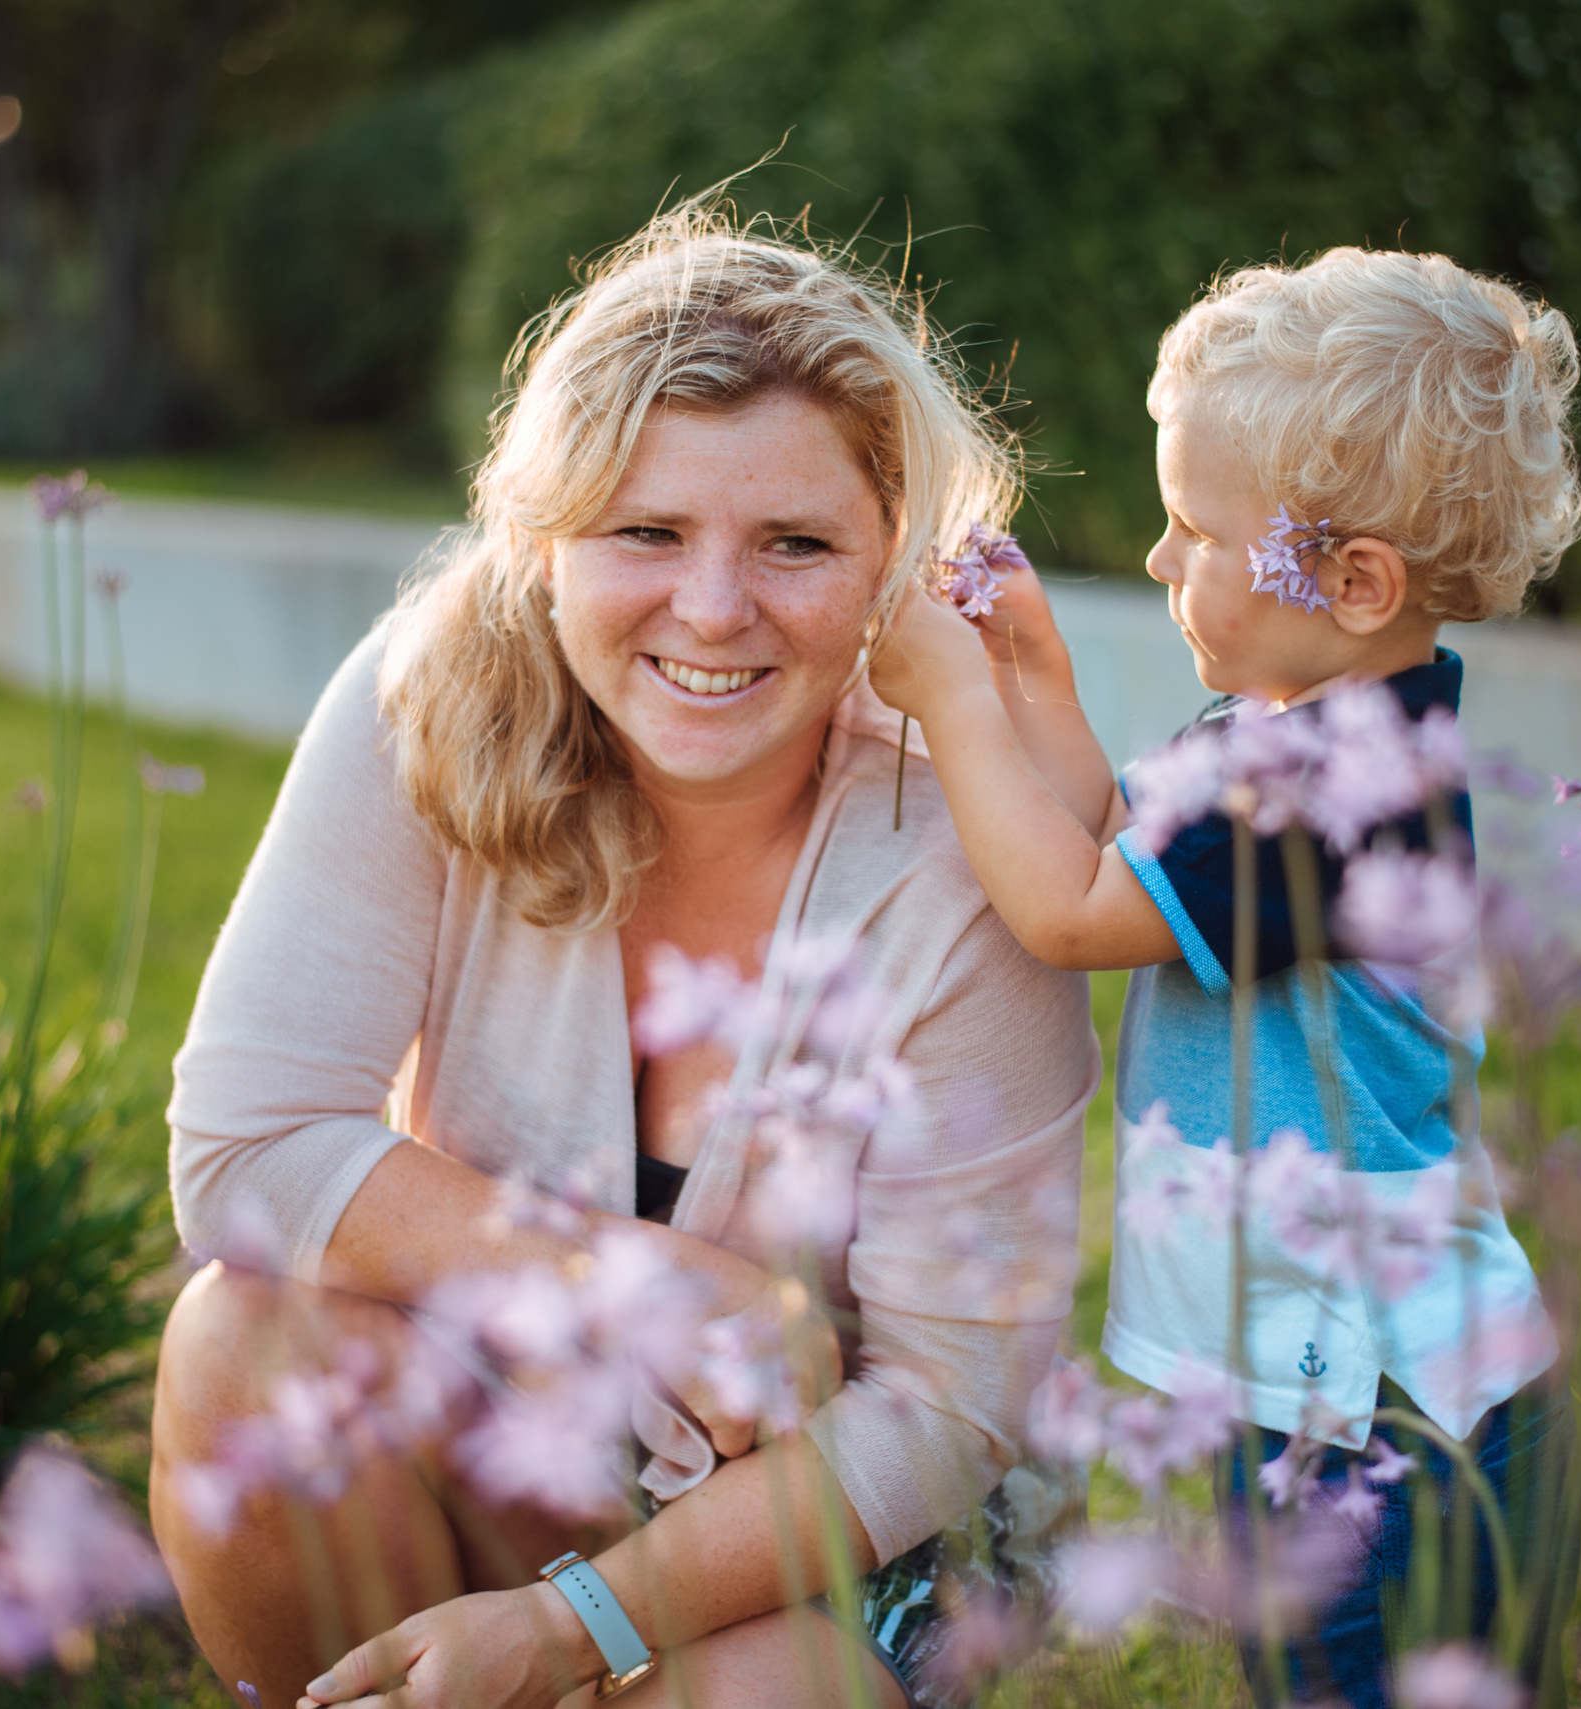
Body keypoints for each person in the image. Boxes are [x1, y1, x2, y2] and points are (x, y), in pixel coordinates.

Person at [148, 208, 1099, 1709]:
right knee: (239, 1348)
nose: (712, 611)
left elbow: (944, 1404)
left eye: (796, 544)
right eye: (645, 532)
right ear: (544, 542)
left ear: (894, 568)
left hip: (838, 1523)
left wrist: (568, 1622)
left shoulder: (975, 850)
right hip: (508, 1420)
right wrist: (655, 1282)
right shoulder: (425, 703)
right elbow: (246, 1147)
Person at [868, 246, 1581, 1707]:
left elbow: (1070, 914)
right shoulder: (1282, 734)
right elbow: (1106, 848)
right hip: (1321, 1373)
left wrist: (950, 703)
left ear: (1355, 581)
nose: (1158, 559)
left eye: (1193, 529)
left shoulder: (1332, 794)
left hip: (1387, 1410)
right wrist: (1033, 680)